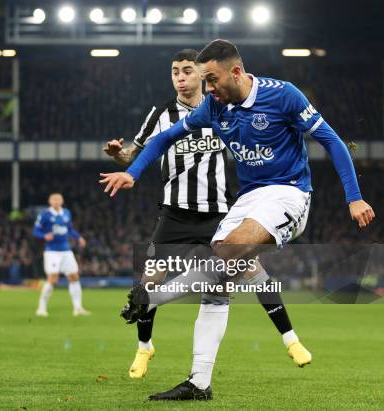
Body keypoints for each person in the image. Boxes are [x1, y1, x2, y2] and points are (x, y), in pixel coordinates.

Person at [99, 39, 374, 401]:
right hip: (247, 200)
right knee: (218, 287)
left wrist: (353, 197)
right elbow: (164, 138)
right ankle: (199, 383)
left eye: (211, 80)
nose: (208, 89)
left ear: (236, 72)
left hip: (289, 193)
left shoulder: (284, 96)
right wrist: (132, 172)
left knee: (229, 252)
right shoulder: (214, 107)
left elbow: (332, 141)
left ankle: (152, 297)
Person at [103, 49, 311, 380]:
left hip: (217, 211)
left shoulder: (221, 108)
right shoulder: (161, 114)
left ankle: (291, 339)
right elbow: (137, 154)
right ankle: (144, 348)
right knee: (147, 283)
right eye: (175, 72)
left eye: (187, 71)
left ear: (202, 74)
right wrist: (120, 156)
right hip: (174, 215)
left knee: (253, 272)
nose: (180, 77)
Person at [33, 193, 90, 317]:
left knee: (74, 277)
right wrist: (44, 236)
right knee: (53, 279)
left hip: (66, 251)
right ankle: (41, 308)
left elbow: (69, 229)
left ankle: (78, 308)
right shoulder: (45, 215)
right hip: (52, 252)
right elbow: (36, 230)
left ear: (62, 201)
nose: (56, 201)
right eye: (54, 199)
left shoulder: (66, 213)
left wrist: (79, 237)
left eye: (58, 199)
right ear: (49, 201)